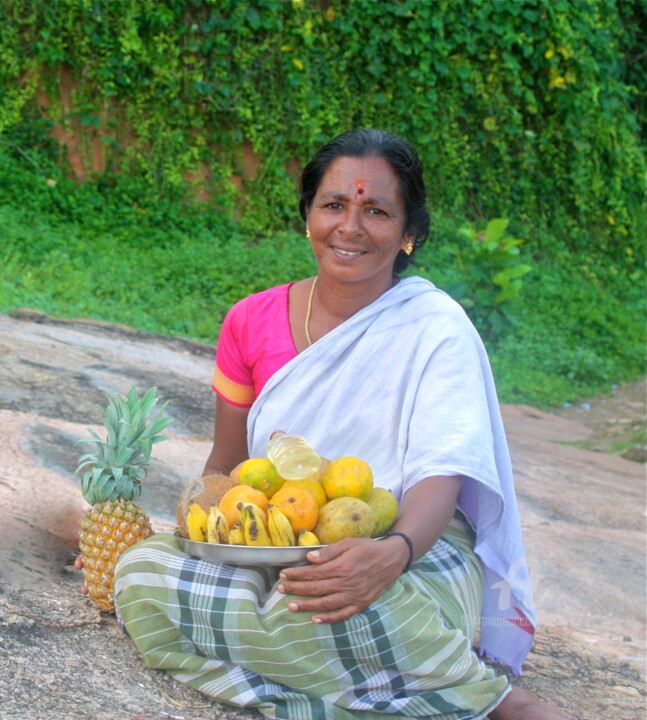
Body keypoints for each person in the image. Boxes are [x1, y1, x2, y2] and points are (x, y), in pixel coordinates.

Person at [113, 129, 567, 720]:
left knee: (378, 611)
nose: (350, 227)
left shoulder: (436, 328)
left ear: (409, 234)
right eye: (334, 205)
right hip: (279, 545)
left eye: (376, 211)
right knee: (142, 573)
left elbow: (441, 476)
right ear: (308, 217)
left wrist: (393, 554)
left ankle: (491, 700)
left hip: (415, 545)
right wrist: (210, 535)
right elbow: (224, 469)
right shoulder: (250, 320)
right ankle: (408, 687)